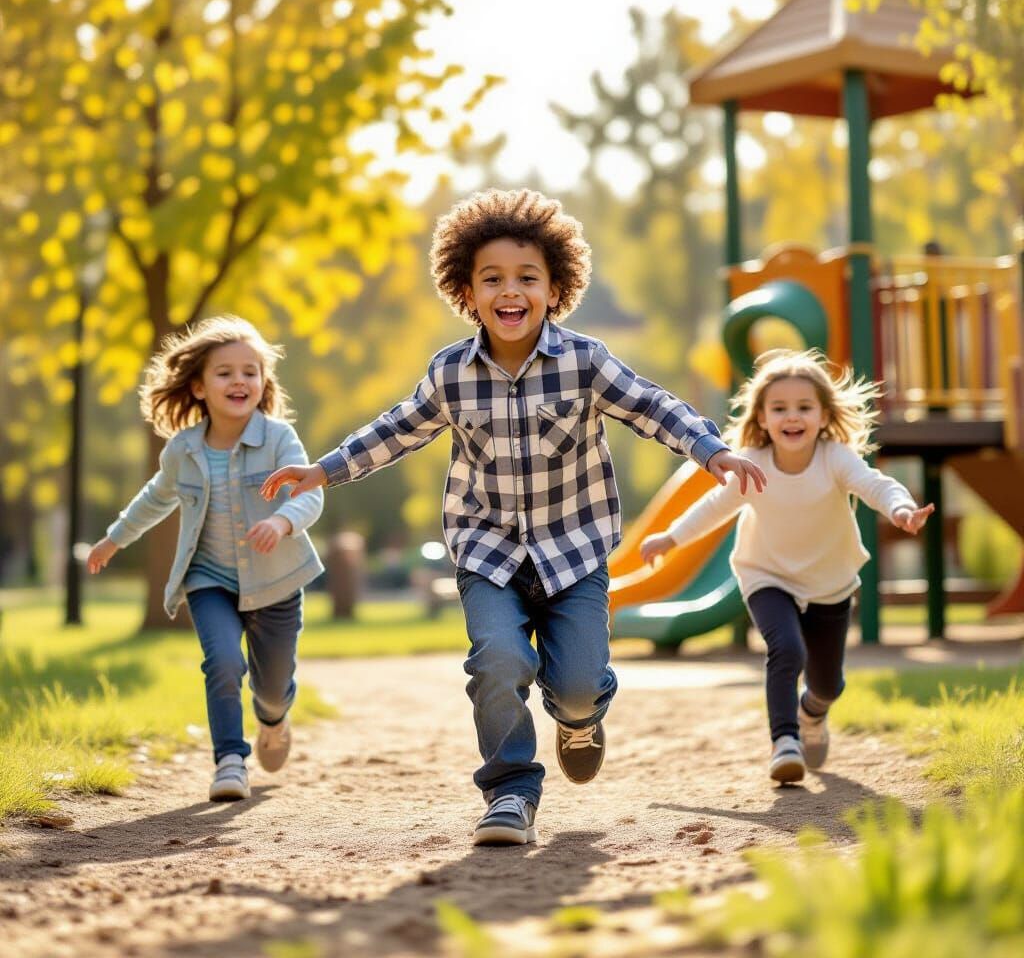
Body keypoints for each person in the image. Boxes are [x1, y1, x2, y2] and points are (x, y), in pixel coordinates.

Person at [260, 188, 765, 845]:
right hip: (487, 551)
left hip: (574, 550)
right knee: (496, 660)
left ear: (555, 289)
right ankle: (510, 792)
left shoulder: (585, 361)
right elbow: (397, 430)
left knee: (578, 685)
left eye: (527, 277)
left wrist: (711, 450)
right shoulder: (450, 373)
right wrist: (322, 470)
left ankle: (578, 718)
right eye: (492, 278)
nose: (510, 291)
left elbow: (651, 406)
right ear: (467, 292)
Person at [641, 348, 932, 784]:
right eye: (779, 408)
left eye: (803, 407)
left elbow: (875, 485)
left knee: (828, 685)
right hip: (766, 574)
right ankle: (785, 742)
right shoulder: (753, 464)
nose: (791, 416)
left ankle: (812, 712)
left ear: (823, 415)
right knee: (787, 650)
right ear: (761, 418)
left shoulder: (836, 458)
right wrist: (671, 537)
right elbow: (715, 506)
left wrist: (901, 509)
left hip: (828, 580)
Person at [87, 316, 324, 802]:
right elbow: (155, 498)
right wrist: (113, 540)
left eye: (250, 372)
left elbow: (309, 493)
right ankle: (230, 761)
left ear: (263, 382)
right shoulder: (184, 450)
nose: (240, 381)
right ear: (198, 387)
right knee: (222, 663)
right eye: (225, 373)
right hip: (208, 578)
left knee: (272, 688)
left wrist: (282, 522)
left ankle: (273, 720)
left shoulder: (279, 438)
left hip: (276, 581)